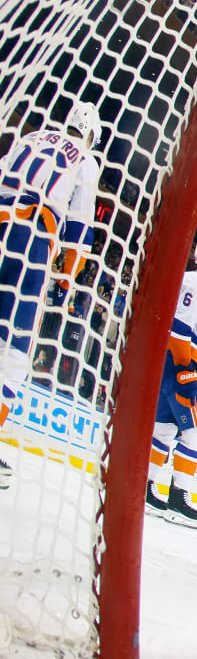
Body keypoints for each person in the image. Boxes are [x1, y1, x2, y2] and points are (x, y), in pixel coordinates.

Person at [0, 102, 101, 490]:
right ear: (90, 134)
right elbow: (79, 225)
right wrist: (65, 279)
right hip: (32, 240)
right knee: (13, 354)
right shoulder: (86, 161)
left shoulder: (29, 137)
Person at [145, 237, 197, 529]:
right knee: (196, 432)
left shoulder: (192, 283)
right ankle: (179, 497)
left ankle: (148, 488)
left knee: (165, 429)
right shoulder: (196, 285)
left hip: (169, 364)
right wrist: (184, 370)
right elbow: (179, 329)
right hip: (178, 366)